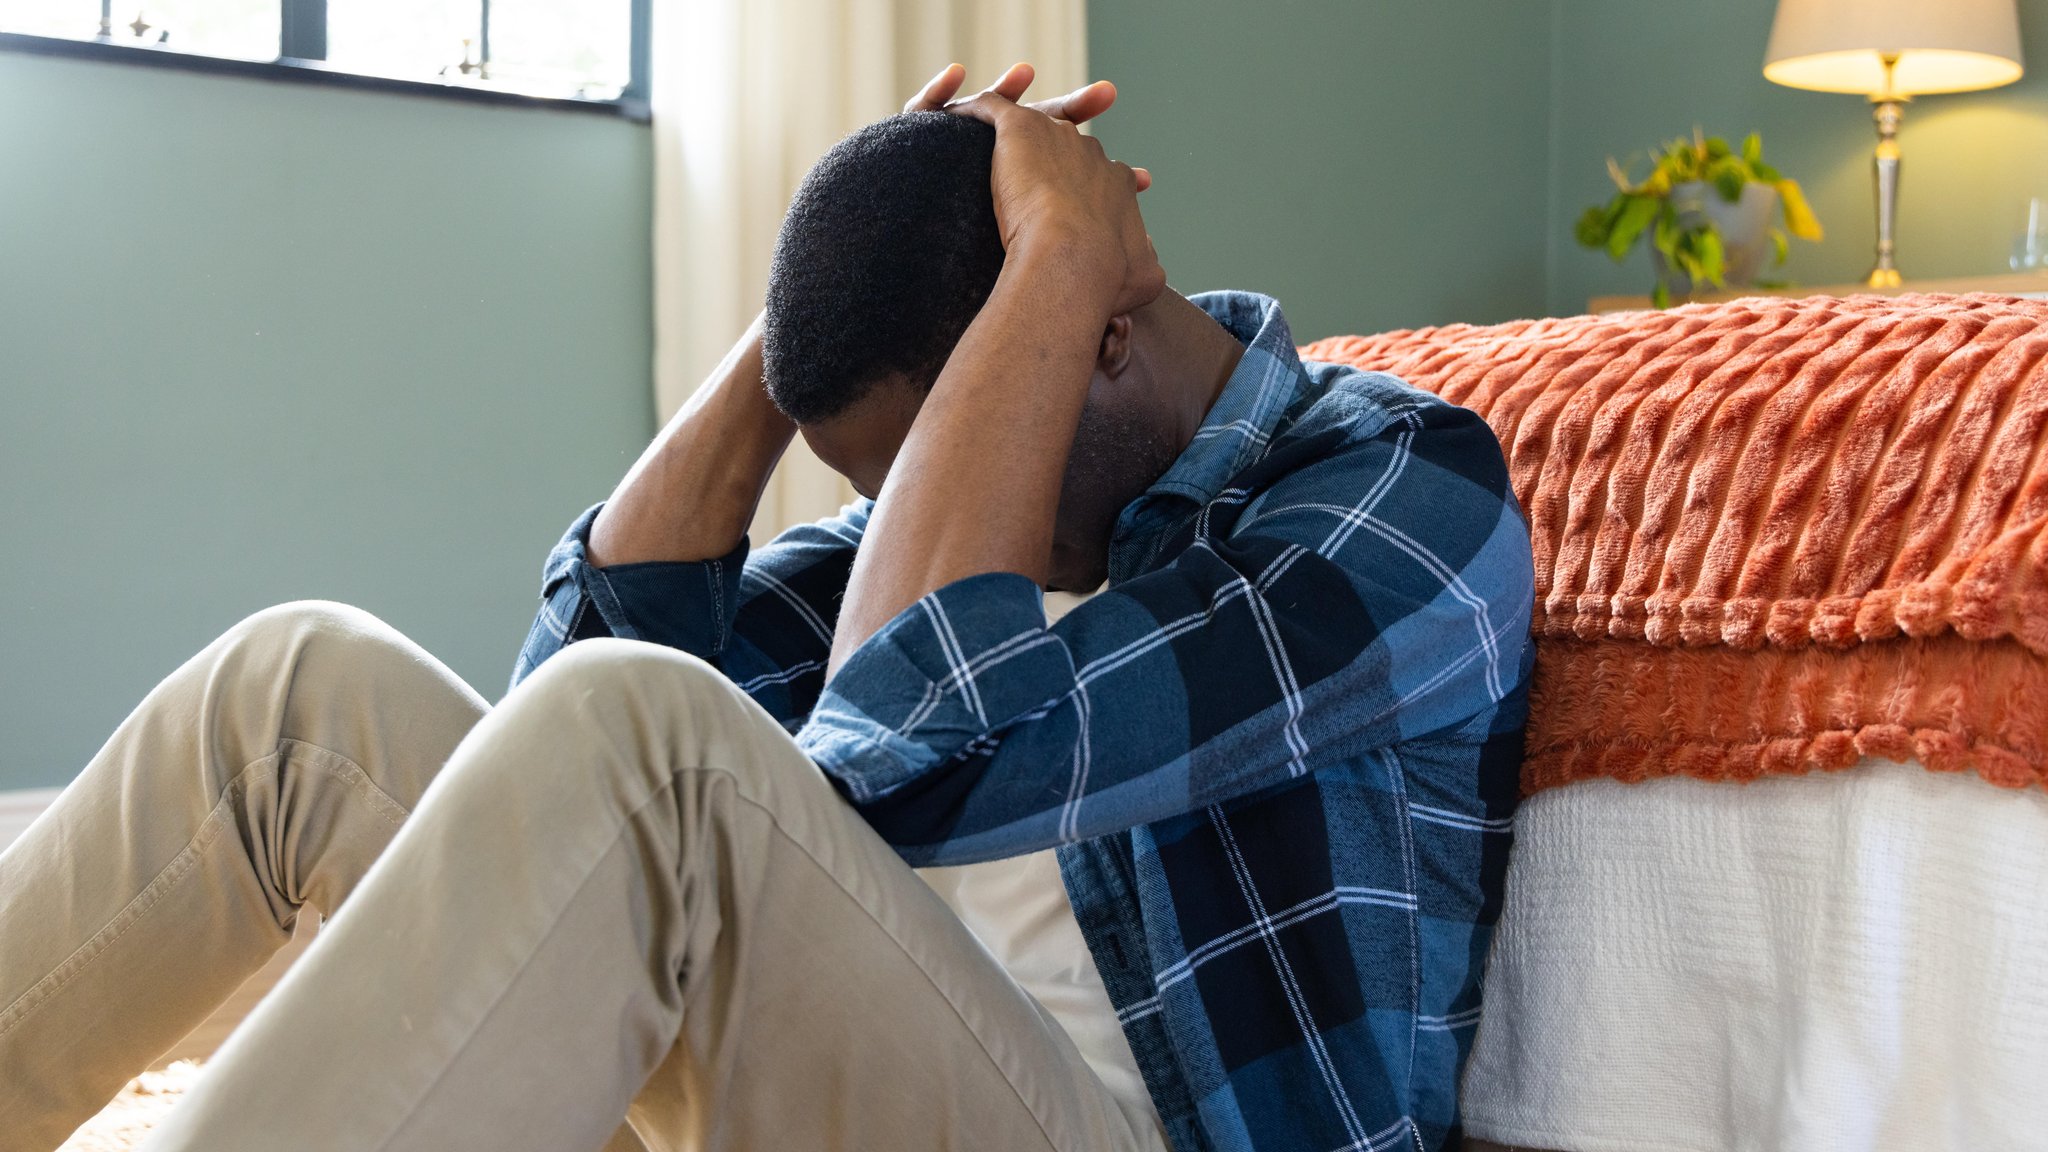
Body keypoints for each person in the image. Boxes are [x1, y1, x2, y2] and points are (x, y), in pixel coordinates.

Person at [0, 63, 1534, 1152]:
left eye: (944, 438)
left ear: (1100, 338)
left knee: (658, 742)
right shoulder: (966, 504)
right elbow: (558, 704)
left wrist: (1057, 259)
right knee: (302, 694)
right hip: (825, 1078)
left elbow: (911, 743)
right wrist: (813, 291)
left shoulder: (1395, 487)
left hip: (1133, 1127)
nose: (905, 499)